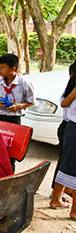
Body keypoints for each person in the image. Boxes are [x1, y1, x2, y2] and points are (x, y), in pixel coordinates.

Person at [0, 53, 35, 172]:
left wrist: (18, 106)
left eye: (3, 68)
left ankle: (9, 174)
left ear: (13, 68)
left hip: (14, 120)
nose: (0, 71)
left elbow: (31, 101)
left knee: (11, 152)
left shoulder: (24, 84)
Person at [50, 73, 76, 220]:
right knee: (68, 166)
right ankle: (74, 210)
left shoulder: (72, 81)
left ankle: (57, 198)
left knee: (65, 165)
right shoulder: (73, 86)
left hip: (70, 127)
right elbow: (64, 103)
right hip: (72, 127)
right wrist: (72, 95)